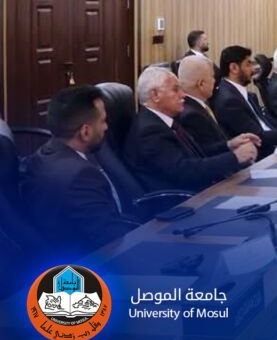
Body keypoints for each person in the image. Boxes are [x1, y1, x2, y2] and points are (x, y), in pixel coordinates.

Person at [21, 85, 138, 256]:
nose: (106, 127)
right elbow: (113, 239)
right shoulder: (81, 177)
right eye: (103, 121)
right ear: (85, 131)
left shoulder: (42, 155)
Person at [124, 67, 257, 192]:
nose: (183, 95)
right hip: (184, 202)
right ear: (155, 95)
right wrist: (235, 157)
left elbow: (197, 153)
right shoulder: (150, 131)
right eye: (175, 89)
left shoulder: (163, 121)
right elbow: (184, 171)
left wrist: (229, 145)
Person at [176, 55, 260, 153]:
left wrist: (233, 143)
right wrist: (236, 152)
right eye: (212, 77)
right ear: (201, 84)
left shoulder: (195, 106)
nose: (214, 81)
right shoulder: (191, 115)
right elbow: (208, 152)